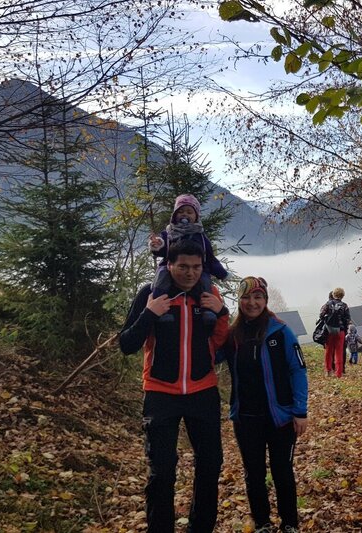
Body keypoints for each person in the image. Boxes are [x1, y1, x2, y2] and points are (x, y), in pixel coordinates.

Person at [119, 239, 230, 533]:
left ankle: (200, 528)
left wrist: (221, 313)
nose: (190, 273)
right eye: (183, 266)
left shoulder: (209, 294)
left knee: (210, 466)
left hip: (203, 391)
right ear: (169, 264)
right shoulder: (151, 294)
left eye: (196, 267)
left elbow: (224, 344)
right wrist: (149, 313)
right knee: (162, 471)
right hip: (160, 393)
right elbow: (127, 344)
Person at [217, 277, 308, 533]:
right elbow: (211, 357)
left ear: (265, 300)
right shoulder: (232, 335)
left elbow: (298, 370)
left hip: (280, 417)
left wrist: (300, 411)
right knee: (253, 473)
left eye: (258, 297)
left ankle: (290, 523)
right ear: (239, 300)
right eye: (246, 297)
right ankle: (262, 523)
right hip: (245, 417)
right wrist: (212, 319)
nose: (252, 303)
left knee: (282, 471)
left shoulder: (280, 331)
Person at [149, 194, 229, 326]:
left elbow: (210, 258)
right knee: (161, 279)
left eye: (189, 212)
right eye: (181, 211)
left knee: (205, 282)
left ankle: (207, 310)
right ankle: (160, 309)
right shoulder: (169, 233)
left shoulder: (201, 237)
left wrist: (222, 274)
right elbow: (161, 249)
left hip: (199, 267)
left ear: (196, 216)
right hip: (170, 267)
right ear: (174, 215)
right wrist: (157, 245)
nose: (184, 214)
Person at [318, 288, 350, 377]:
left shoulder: (328, 304)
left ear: (333, 294)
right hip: (340, 331)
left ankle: (328, 371)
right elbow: (347, 319)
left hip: (329, 331)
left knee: (328, 351)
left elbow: (321, 315)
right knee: (339, 352)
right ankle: (339, 373)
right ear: (342, 296)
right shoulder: (344, 305)